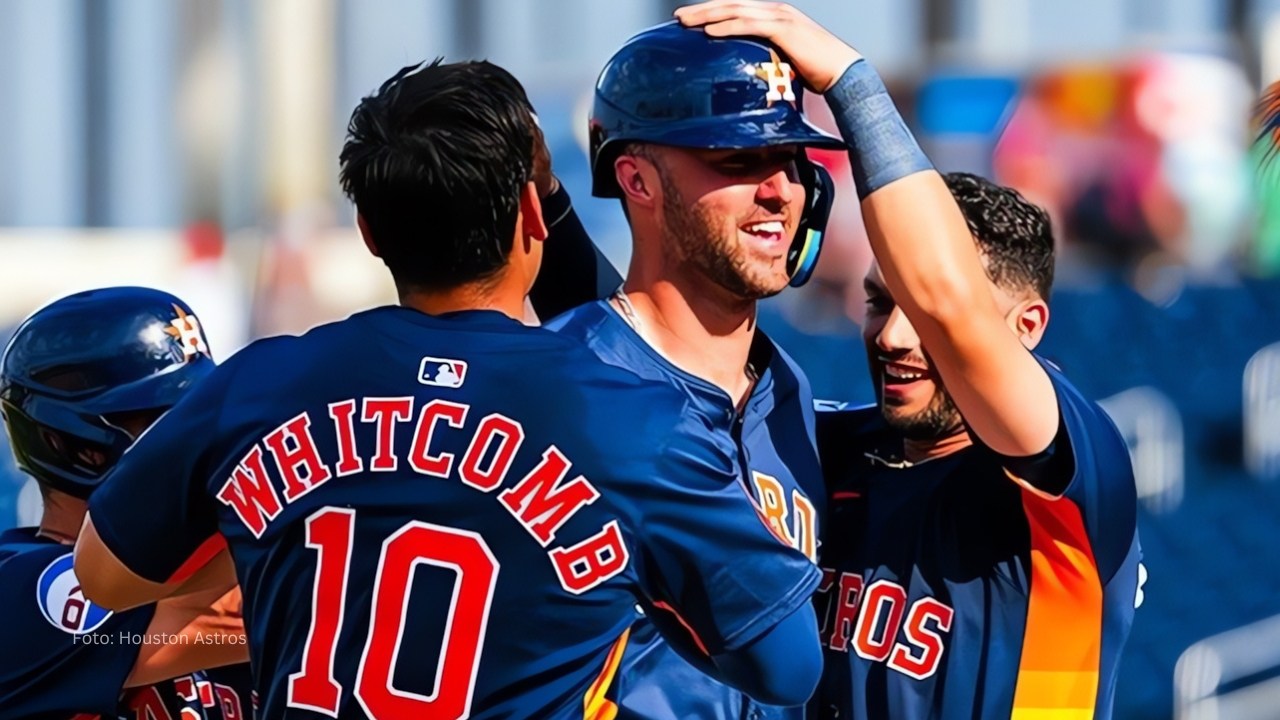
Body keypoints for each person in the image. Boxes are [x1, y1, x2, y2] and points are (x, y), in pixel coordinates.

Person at [72, 59, 823, 719]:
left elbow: (100, 578)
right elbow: (786, 667)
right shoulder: (632, 422)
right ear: (534, 214)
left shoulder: (257, 383)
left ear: (368, 231)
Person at [674, 3, 1142, 718]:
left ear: (1027, 327)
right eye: (876, 303)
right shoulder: (828, 451)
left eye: (921, 314)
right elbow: (644, 363)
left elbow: (949, 304)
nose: (894, 336)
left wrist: (852, 87)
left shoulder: (1080, 472)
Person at [536, 19, 842, 720]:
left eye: (792, 159)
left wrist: (854, 87)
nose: (782, 191)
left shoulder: (786, 386)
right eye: (737, 160)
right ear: (636, 179)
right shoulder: (559, 383)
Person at [0, 287, 251, 719]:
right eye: (173, 418)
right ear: (76, 446)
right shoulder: (18, 589)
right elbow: (242, 613)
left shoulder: (214, 559)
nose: (208, 436)